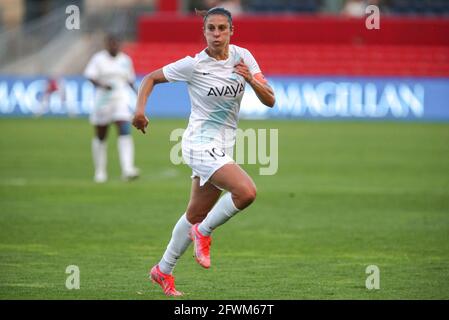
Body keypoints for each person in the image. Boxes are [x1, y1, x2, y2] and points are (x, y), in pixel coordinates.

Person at [133, 7, 275, 296]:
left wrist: (250, 79)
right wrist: (139, 111)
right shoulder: (193, 65)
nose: (217, 34)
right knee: (246, 192)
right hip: (198, 144)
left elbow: (270, 99)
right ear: (204, 32)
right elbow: (150, 78)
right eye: (211, 28)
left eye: (223, 28)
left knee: (194, 214)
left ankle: (162, 270)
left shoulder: (243, 57)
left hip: (222, 146)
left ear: (232, 31)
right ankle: (204, 233)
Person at [84, 33, 140, 183]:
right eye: (111, 43)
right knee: (101, 135)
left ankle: (128, 169)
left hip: (120, 100)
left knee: (124, 130)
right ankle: (100, 171)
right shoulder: (98, 59)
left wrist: (139, 97)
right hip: (102, 102)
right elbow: (90, 76)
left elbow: (130, 81)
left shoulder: (125, 60)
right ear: (107, 44)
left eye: (117, 43)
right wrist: (102, 85)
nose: (114, 46)